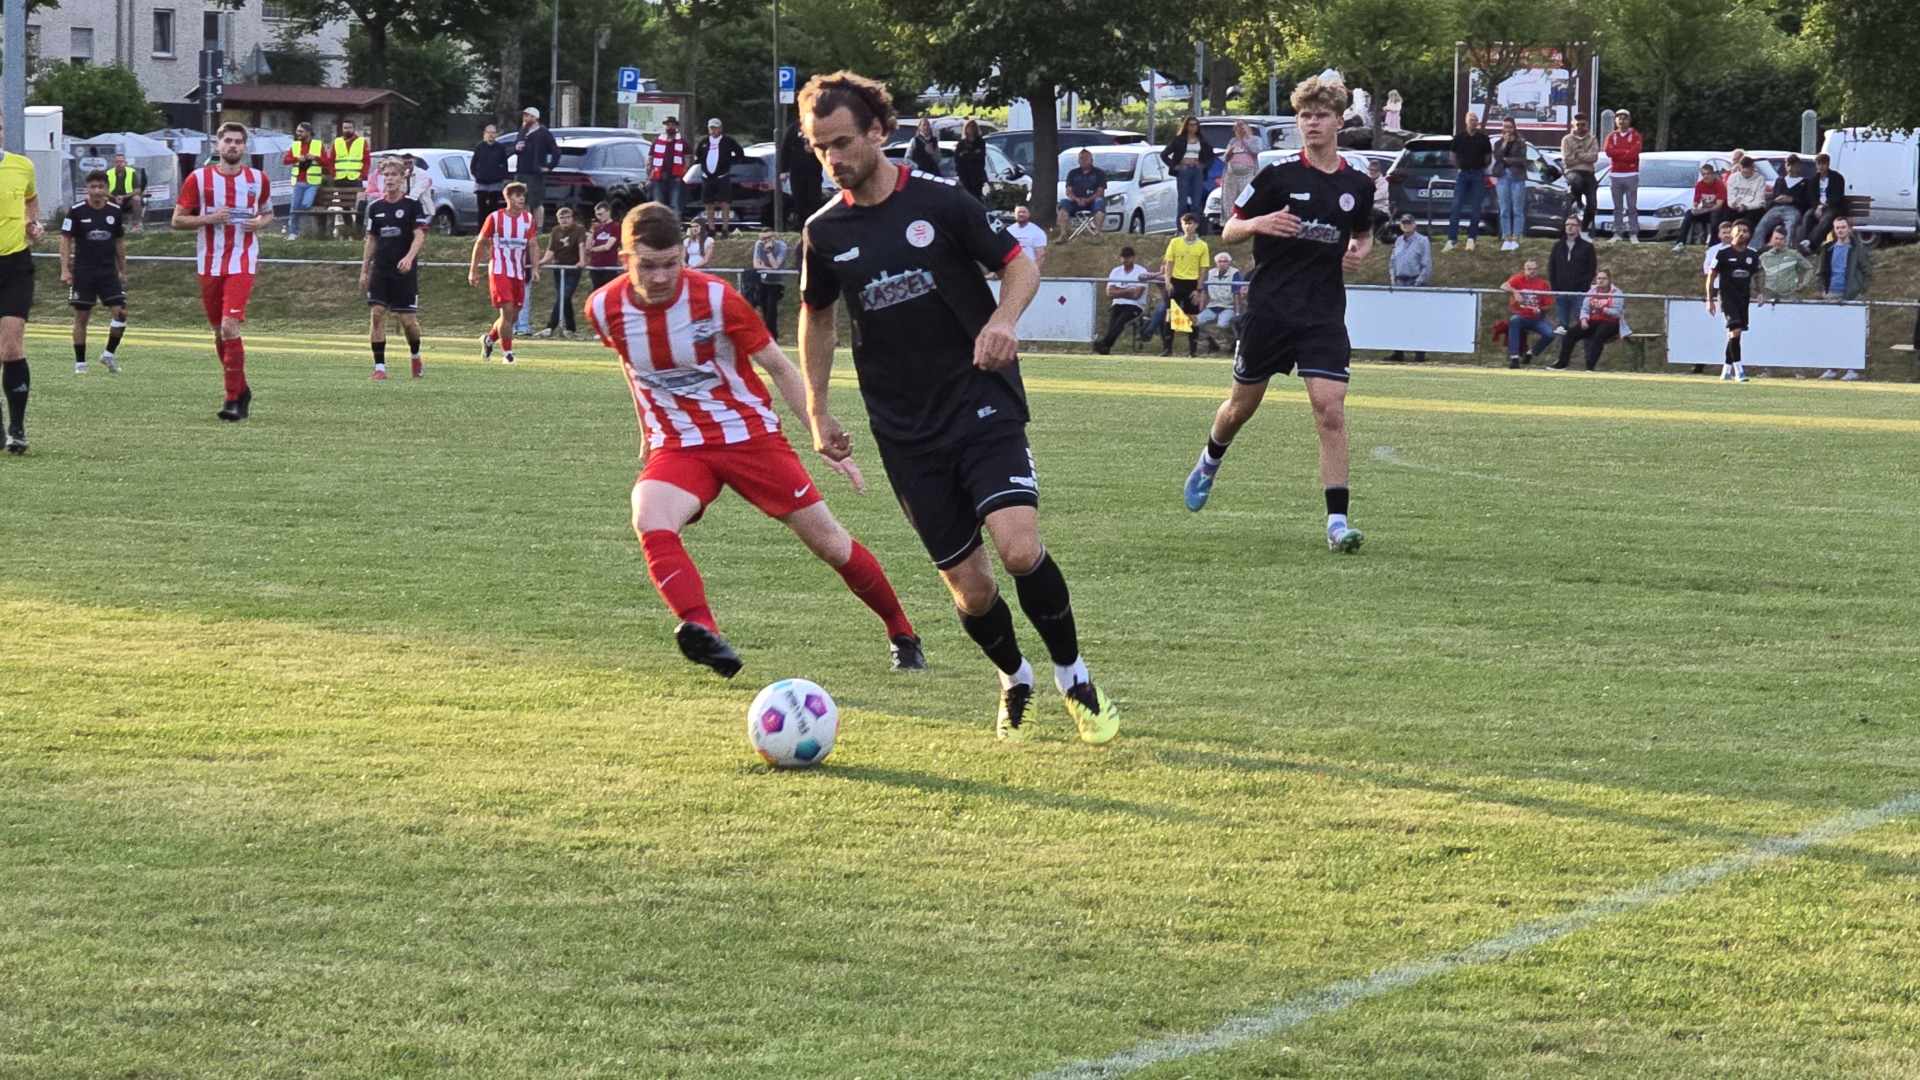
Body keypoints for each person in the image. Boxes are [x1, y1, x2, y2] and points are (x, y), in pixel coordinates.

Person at [796, 69, 1118, 743]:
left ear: (879, 132)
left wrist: (1002, 320)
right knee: (971, 590)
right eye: (820, 147)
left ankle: (1073, 675)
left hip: (980, 398)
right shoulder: (823, 232)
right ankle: (1014, 677)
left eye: (843, 142)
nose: (833, 159)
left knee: (1019, 549)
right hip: (904, 429)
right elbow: (817, 316)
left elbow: (1019, 263)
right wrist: (818, 409)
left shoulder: (941, 201)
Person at [587, 201, 924, 678]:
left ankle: (902, 632)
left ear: (683, 255)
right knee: (649, 515)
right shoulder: (603, 308)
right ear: (625, 259)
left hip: (749, 437)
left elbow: (780, 368)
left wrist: (818, 430)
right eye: (647, 266)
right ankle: (703, 631)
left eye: (670, 264)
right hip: (678, 444)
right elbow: (632, 367)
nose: (660, 277)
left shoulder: (717, 298)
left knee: (831, 544)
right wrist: (647, 431)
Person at [1184, 73, 1374, 555]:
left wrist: (1358, 252)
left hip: (1323, 314)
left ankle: (1337, 524)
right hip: (1270, 310)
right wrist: (1262, 222)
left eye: (1321, 115)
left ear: (1339, 121)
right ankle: (1210, 458)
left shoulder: (1356, 183)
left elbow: (1364, 233)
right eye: (1305, 115)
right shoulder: (1278, 176)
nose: (1312, 123)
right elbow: (1229, 230)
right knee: (1240, 408)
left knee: (1330, 410)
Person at [171, 123, 273, 422]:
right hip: (210, 262)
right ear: (217, 145)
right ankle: (242, 389)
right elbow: (177, 220)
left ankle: (231, 400)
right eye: (228, 140)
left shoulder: (258, 179)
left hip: (242, 260)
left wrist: (260, 223)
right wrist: (210, 218)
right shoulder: (199, 179)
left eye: (238, 141)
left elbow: (268, 212)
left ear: (245, 147)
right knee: (219, 332)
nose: (233, 145)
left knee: (230, 326)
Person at [359, 157, 429, 380]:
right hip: (381, 270)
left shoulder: (412, 205)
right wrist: (364, 269)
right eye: (386, 175)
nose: (389, 179)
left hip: (403, 273)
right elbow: (371, 239)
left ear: (402, 178)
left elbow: (419, 235)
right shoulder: (375, 207)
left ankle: (416, 356)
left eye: (393, 175)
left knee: (407, 322)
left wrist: (409, 257)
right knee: (377, 314)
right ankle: (380, 367)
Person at [60, 170, 128, 375]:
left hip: (108, 272)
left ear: (107, 188)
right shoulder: (76, 211)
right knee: (82, 317)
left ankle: (108, 354)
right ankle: (80, 364)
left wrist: (123, 270)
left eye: (100, 186)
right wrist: (65, 269)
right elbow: (65, 241)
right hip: (84, 272)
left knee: (121, 314)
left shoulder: (115, 212)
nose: (97, 191)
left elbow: (119, 242)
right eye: (93, 187)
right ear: (87, 189)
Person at [467, 181, 540, 366]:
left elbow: (533, 245)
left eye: (523, 196)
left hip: (518, 272)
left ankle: (489, 339)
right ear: (508, 198)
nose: (521, 199)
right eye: (517, 195)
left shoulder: (528, 219)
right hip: (499, 271)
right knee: (507, 311)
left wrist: (535, 269)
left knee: (513, 316)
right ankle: (507, 353)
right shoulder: (495, 218)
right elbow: (481, 243)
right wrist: (474, 269)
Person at [0, 116, 37, 452]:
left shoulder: (22, 165)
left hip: (15, 265)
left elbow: (30, 200)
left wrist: (31, 224)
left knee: (11, 346)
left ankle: (17, 429)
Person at [1817, 217, 1871, 380]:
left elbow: (1867, 272)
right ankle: (1832, 368)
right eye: (1837, 227)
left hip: (1851, 295)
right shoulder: (1828, 248)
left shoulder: (1857, 248)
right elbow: (1821, 272)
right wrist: (1823, 289)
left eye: (1843, 227)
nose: (1840, 230)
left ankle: (1852, 369)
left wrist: (1860, 289)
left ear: (1849, 229)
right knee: (1832, 333)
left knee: (1852, 333)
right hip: (1832, 293)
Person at [1707, 220, 1760, 381]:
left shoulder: (1752, 255)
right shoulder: (1723, 253)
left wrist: (1760, 292)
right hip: (1727, 297)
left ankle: (1726, 370)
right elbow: (1711, 275)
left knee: (1735, 335)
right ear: (1732, 233)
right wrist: (1709, 299)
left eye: (1745, 231)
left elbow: (1758, 274)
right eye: (1739, 230)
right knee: (1735, 331)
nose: (1742, 233)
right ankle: (1739, 371)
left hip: (1743, 298)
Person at [1553, 267, 1623, 371]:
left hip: (1610, 322)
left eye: (1604, 278)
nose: (1601, 281)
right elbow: (1585, 308)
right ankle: (1562, 363)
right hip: (1594, 320)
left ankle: (1590, 367)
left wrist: (1602, 308)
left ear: (1609, 280)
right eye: (1599, 278)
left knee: (1599, 336)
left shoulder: (1616, 292)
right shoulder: (1592, 291)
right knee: (1571, 333)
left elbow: (1617, 313)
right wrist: (1584, 319)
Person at [1160, 213, 1209, 356]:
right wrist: (1168, 281)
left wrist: (1198, 289)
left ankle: (1193, 351)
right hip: (1176, 282)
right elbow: (1169, 263)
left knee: (1193, 317)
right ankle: (1168, 350)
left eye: (1191, 224)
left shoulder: (1202, 246)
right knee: (1170, 315)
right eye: (1185, 224)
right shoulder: (1175, 242)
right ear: (1181, 225)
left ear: (1196, 225)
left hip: (1191, 283)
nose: (1188, 227)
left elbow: (1203, 268)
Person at [1386, 213, 1431, 363]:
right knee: (1399, 318)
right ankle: (1398, 352)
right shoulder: (1399, 240)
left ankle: (1419, 354)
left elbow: (1426, 264)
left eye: (1409, 223)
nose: (1406, 225)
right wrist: (1392, 277)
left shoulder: (1423, 241)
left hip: (1414, 281)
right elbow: (1392, 261)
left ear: (1414, 225)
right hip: (1400, 281)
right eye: (1404, 223)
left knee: (1417, 319)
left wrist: (1419, 282)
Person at [1445, 112, 1493, 251]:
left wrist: (1479, 167)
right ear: (1466, 121)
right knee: (1456, 206)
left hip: (1478, 174)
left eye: (1475, 120)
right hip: (1463, 174)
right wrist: (1459, 167)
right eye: (1471, 120)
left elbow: (1488, 158)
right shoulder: (1459, 137)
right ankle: (1451, 240)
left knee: (1476, 208)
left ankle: (1471, 239)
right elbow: (1453, 155)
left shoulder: (1483, 138)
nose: (1473, 122)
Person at [538, 205, 588, 339]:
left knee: (564, 295)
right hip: (558, 267)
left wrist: (581, 261)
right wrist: (542, 261)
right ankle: (571, 328)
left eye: (567, 217)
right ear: (558, 219)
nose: (564, 220)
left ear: (572, 218)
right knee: (564, 298)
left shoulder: (579, 229)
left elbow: (581, 245)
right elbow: (551, 250)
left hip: (573, 268)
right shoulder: (555, 231)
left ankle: (550, 327)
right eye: (561, 218)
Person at [1092, 246, 1150, 355]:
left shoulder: (1141, 271)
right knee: (1113, 324)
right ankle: (1105, 347)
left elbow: (1136, 295)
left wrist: (1118, 291)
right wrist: (1127, 290)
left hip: (1135, 305)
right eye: (1124, 257)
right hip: (1117, 304)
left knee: (1120, 322)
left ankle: (1103, 344)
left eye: (1128, 257)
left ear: (1133, 257)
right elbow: (1109, 293)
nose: (1126, 260)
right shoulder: (1116, 271)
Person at [694, 118, 746, 236]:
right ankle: (711, 227)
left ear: (721, 129)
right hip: (707, 177)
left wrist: (729, 161)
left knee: (725, 202)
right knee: (708, 203)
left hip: (722, 177)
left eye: (716, 128)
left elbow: (739, 153)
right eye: (711, 128)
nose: (714, 130)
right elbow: (698, 155)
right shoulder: (704, 142)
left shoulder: (728, 141)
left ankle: (725, 227)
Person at [1754, 152, 1814, 254]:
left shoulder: (1805, 182)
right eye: (1788, 165)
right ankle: (1754, 249)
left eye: (1794, 165)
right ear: (1785, 166)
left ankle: (1786, 250)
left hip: (1793, 209)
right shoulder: (1780, 180)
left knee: (1790, 225)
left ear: (1798, 166)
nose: (1790, 168)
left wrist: (1792, 200)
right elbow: (1774, 198)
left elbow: (1806, 202)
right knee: (1762, 224)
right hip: (1777, 208)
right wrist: (1776, 200)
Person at [1163, 116, 1215, 230]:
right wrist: (1174, 165)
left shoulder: (1201, 140)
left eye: (1195, 125)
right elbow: (1164, 154)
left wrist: (1203, 164)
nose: (1192, 127)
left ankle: (1195, 228)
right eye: (1190, 125)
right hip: (1184, 170)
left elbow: (1211, 155)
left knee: (1196, 202)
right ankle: (1180, 229)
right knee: (1182, 201)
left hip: (1197, 171)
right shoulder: (1179, 140)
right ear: (1186, 126)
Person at [1546, 215, 1596, 334]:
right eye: (1567, 224)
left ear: (1579, 228)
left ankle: (1586, 345)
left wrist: (1583, 286)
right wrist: (1555, 286)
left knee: (1583, 324)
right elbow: (1552, 267)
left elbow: (1591, 269)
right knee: (1562, 327)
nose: (1570, 227)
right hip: (1561, 292)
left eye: (1573, 225)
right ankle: (1564, 346)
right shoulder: (1558, 246)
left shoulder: (1587, 247)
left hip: (1579, 292)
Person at [1502, 258, 1555, 366]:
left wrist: (1539, 309)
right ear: (1524, 270)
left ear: (1538, 270)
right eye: (1529, 269)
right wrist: (1515, 292)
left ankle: (1531, 353)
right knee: (1514, 320)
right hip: (1520, 315)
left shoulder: (1543, 284)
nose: (1532, 271)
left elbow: (1548, 305)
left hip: (1537, 318)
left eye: (1534, 269)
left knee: (1550, 334)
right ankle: (1514, 356)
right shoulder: (1517, 278)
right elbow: (1503, 286)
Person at [514, 107, 561, 230]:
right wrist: (516, 148)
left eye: (529, 116)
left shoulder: (543, 132)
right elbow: (516, 148)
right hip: (521, 171)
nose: (526, 118)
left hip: (535, 173)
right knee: (523, 201)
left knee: (536, 202)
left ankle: (538, 228)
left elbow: (555, 151)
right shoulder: (522, 130)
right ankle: (526, 227)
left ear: (535, 118)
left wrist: (549, 166)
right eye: (524, 115)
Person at [1604, 109, 1643, 243]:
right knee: (1617, 207)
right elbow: (1608, 151)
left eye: (1625, 118)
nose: (1622, 121)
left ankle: (1633, 234)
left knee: (1631, 206)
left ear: (1629, 120)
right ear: (1615, 120)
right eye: (1619, 118)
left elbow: (1634, 154)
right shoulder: (1611, 136)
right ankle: (1617, 234)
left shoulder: (1636, 135)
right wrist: (1624, 152)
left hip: (1631, 174)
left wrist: (1618, 154)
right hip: (1615, 175)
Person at [1194, 252, 1244, 353]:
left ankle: (1233, 342)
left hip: (1228, 307)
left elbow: (1237, 293)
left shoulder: (1235, 273)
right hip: (1212, 306)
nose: (1222, 264)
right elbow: (1204, 293)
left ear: (1229, 263)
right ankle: (1210, 342)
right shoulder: (1210, 273)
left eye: (1225, 261)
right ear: (1216, 263)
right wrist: (1200, 310)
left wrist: (1238, 311)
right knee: (1193, 323)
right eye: (1220, 262)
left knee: (1222, 324)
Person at [1492, 117, 1529, 251]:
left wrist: (1507, 159)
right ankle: (1506, 237)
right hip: (1503, 177)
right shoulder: (1498, 143)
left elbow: (1522, 160)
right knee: (1504, 208)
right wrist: (1504, 143)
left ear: (1514, 127)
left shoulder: (1521, 142)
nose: (1507, 129)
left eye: (1510, 127)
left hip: (1517, 177)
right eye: (1505, 127)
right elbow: (1497, 157)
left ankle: (1516, 237)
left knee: (1517, 208)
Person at [283, 124, 325, 239]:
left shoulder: (318, 144)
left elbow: (326, 161)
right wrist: (296, 158)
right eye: (297, 131)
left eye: (301, 131)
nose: (298, 133)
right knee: (294, 207)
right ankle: (293, 232)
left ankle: (301, 227)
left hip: (312, 182)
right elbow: (285, 160)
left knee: (306, 204)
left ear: (308, 132)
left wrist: (316, 157)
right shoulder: (295, 145)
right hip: (298, 181)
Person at [1560, 115, 1600, 233]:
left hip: (1588, 172)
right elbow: (1567, 160)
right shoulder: (1566, 140)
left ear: (1588, 126)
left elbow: (1594, 158)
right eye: (1578, 125)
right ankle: (1578, 202)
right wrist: (1584, 157)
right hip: (1572, 172)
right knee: (1576, 181)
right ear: (1573, 125)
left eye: (1583, 125)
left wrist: (1577, 155)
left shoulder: (1592, 140)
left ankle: (1584, 228)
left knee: (1592, 204)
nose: (1580, 127)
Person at [1057, 148, 1108, 240]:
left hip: (1093, 202)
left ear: (1092, 160)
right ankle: (1063, 234)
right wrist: (1077, 199)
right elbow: (1068, 191)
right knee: (1063, 203)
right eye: (1081, 159)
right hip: (1076, 201)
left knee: (1099, 202)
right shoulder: (1072, 173)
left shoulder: (1099, 173)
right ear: (1078, 160)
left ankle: (1097, 234)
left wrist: (1087, 200)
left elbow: (1100, 192)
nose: (1083, 161)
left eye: (1086, 158)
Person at [1802, 153, 1848, 252]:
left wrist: (1823, 206)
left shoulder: (1837, 178)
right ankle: (1804, 243)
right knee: (1808, 215)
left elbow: (1837, 197)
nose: (1821, 166)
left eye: (1823, 164)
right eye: (1818, 164)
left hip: (1834, 207)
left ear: (1828, 164)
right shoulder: (1813, 180)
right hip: (1818, 207)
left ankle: (1810, 243)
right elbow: (1812, 198)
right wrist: (1818, 207)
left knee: (1827, 216)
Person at [1674, 162, 1726, 250]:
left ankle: (1713, 244)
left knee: (1714, 216)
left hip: (1718, 211)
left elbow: (1718, 205)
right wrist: (1694, 209)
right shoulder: (1700, 185)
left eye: (1708, 174)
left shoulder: (1719, 185)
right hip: (1705, 211)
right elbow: (1696, 201)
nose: (1706, 176)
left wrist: (1703, 210)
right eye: (1703, 174)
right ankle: (1680, 242)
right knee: (1688, 214)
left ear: (1713, 174)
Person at [1219, 120, 1262, 222]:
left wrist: (1244, 140)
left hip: (1247, 174)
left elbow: (1256, 150)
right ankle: (1229, 222)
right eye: (1237, 127)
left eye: (1242, 126)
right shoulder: (1233, 141)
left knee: (1245, 200)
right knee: (1229, 201)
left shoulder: (1256, 139)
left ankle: (1245, 222)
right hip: (1231, 174)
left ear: (1248, 127)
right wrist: (1229, 152)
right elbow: (1224, 159)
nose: (1240, 129)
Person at [331, 118, 370, 227]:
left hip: (355, 178)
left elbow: (367, 161)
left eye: (349, 128)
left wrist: (362, 176)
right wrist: (333, 175)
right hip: (340, 178)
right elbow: (331, 160)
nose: (347, 130)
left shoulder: (362, 141)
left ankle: (358, 228)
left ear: (354, 128)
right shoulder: (337, 141)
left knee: (358, 204)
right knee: (344, 205)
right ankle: (348, 228)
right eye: (345, 128)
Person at [750, 227, 789, 334]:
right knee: (763, 305)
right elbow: (756, 265)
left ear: (773, 237)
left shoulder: (782, 246)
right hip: (764, 281)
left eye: (768, 238)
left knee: (772, 305)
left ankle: (772, 333)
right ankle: (765, 332)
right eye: (763, 239)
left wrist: (769, 252)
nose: (766, 241)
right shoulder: (759, 245)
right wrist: (769, 268)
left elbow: (776, 266)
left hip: (777, 281)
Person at [649, 117, 689, 216]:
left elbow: (688, 160)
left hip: (675, 178)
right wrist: (649, 177)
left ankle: (675, 224)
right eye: (667, 125)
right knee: (658, 205)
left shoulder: (682, 141)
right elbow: (650, 159)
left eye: (672, 125)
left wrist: (682, 175)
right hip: (659, 177)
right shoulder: (657, 140)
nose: (669, 127)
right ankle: (660, 225)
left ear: (676, 126)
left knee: (674, 205)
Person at [472, 123, 512, 220]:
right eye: (489, 132)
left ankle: (493, 228)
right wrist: (477, 175)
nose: (491, 134)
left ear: (496, 134)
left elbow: (504, 165)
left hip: (496, 183)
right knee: (482, 209)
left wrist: (501, 176)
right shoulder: (479, 147)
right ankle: (481, 228)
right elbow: (473, 164)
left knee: (493, 209)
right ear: (485, 134)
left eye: (493, 132)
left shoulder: (500, 148)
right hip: (481, 183)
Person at [1724, 155, 1768, 234]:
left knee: (1752, 216)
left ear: (1753, 168)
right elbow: (1730, 198)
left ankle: (1748, 238)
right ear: (1740, 167)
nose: (1746, 170)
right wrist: (1735, 205)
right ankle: (1725, 238)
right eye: (1744, 167)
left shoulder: (1759, 179)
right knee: (1724, 215)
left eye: (1749, 168)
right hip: (1736, 207)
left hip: (1753, 208)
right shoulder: (1732, 178)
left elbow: (1759, 201)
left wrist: (1745, 206)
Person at [951, 119, 990, 205]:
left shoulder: (980, 142)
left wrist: (966, 154)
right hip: (965, 176)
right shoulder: (961, 143)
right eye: (969, 126)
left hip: (977, 177)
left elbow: (980, 157)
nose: (971, 128)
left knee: (976, 199)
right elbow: (957, 159)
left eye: (973, 126)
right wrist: (972, 154)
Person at [105, 153, 146, 233]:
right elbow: (104, 190)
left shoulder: (131, 172)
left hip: (128, 199)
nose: (119, 164)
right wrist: (114, 197)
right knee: (104, 199)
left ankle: (135, 226)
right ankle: (108, 225)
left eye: (121, 161)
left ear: (126, 163)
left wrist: (123, 197)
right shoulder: (108, 173)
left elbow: (137, 190)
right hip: (113, 199)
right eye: (117, 162)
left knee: (137, 199)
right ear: (114, 163)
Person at [587, 201, 622, 291]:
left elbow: (607, 247)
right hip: (595, 264)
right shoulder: (598, 228)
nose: (599, 217)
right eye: (597, 215)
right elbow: (588, 246)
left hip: (608, 265)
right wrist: (591, 231)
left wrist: (592, 249)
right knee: (596, 290)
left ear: (608, 212)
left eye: (601, 214)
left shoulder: (615, 226)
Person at [1005, 204, 1048, 273]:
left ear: (1029, 214)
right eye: (1019, 212)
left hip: (1029, 270)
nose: (1021, 214)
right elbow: (1003, 254)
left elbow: (1040, 255)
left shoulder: (1037, 232)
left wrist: (1033, 271)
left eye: (1024, 212)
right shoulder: (1008, 231)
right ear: (1014, 214)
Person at [1366, 159, 1391, 238]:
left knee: (1367, 212)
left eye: (1375, 170)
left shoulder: (1384, 183)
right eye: (1371, 170)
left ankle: (1370, 236)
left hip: (1381, 209)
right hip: (1367, 207)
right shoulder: (1365, 180)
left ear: (1379, 171)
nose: (1372, 172)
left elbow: (1375, 197)